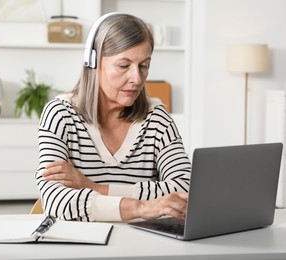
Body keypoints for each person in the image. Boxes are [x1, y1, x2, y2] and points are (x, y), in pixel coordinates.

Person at [35, 13, 191, 222]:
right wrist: (141, 208)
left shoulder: (157, 117)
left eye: (144, 65)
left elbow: (186, 188)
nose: (136, 79)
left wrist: (93, 187)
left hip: (144, 246)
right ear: (93, 63)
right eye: (124, 66)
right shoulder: (60, 114)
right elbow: (56, 201)